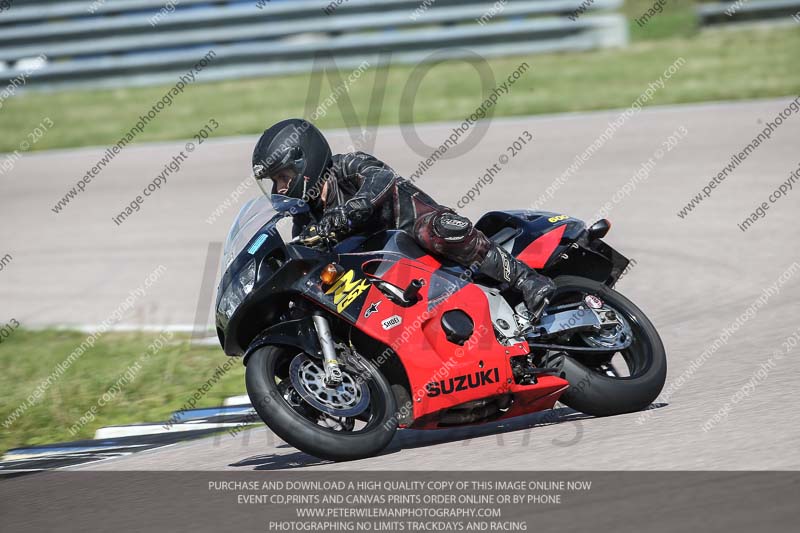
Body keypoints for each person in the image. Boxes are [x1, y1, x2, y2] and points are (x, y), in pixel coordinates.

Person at [251, 118, 555, 317]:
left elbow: (380, 179)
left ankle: (528, 281)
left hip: (418, 235)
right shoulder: (306, 219)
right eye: (275, 182)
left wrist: (348, 212)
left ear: (305, 160)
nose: (280, 188)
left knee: (437, 230)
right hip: (388, 276)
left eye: (282, 177)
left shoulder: (347, 166)